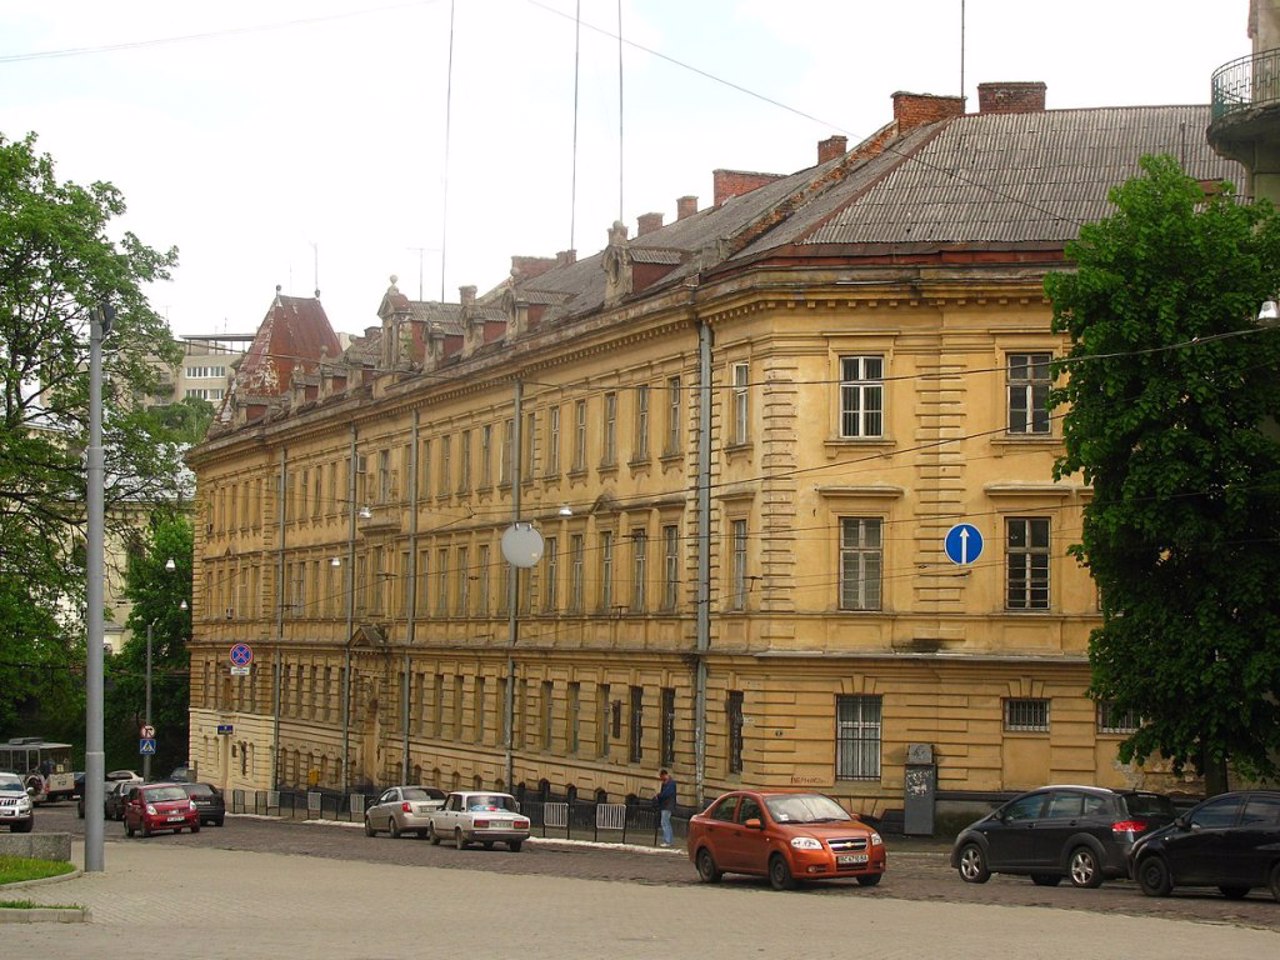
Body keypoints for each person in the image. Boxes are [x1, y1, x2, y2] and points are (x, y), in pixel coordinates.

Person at [653, 768, 677, 847]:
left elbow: (666, 794)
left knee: (664, 822)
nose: (661, 779)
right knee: (666, 822)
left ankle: (667, 841)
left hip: (668, 806)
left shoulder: (671, 783)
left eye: (661, 777)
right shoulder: (666, 783)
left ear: (664, 775)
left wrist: (659, 795)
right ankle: (669, 840)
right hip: (665, 805)